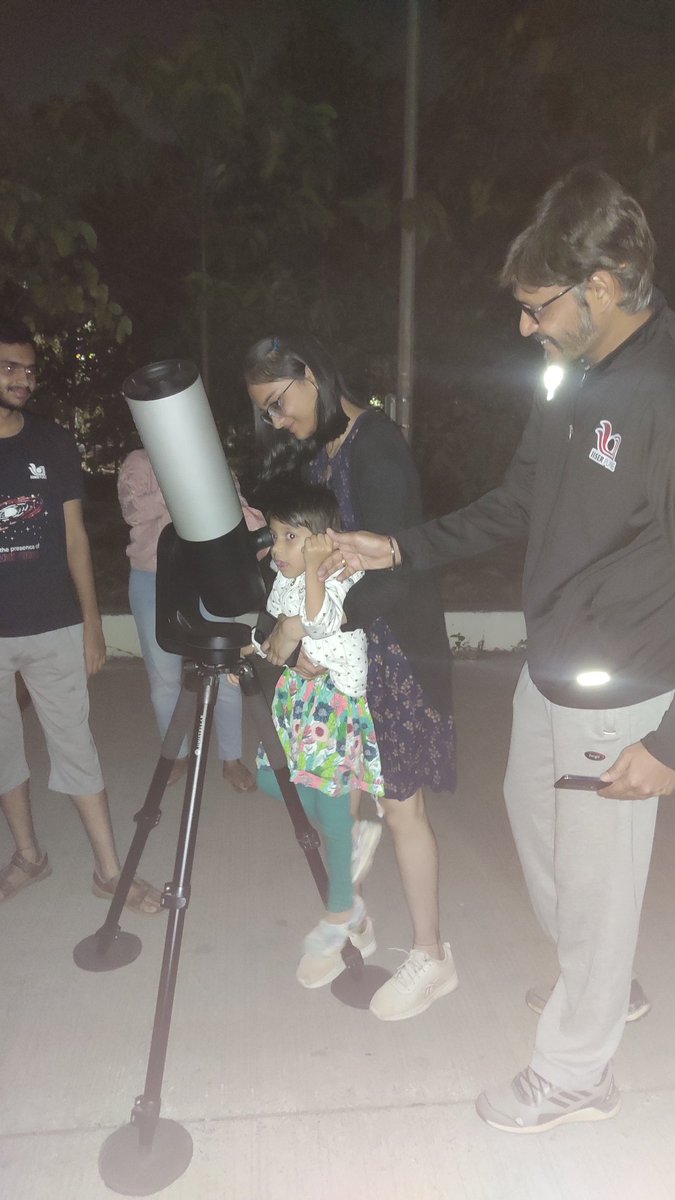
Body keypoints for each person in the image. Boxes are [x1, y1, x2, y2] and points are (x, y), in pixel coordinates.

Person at [320, 165, 675, 1131]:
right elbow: (520, 499)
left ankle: (575, 1074)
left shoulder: (664, 390)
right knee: (536, 827)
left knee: (598, 885)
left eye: (537, 305)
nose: (523, 327)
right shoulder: (573, 376)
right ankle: (598, 984)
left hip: (625, 688)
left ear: (601, 284)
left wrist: (668, 743)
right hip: (549, 664)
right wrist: (399, 546)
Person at [244, 334, 457, 1021]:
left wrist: (312, 633)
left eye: (279, 402)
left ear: (311, 374)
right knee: (332, 791)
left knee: (401, 807)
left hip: (393, 654)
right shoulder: (322, 450)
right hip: (343, 653)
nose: (277, 420)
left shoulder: (376, 447)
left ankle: (431, 954)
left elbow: (397, 572)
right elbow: (304, 556)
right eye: (266, 412)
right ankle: (350, 916)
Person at [0, 317, 161, 913]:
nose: (23, 379)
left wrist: (93, 623)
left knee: (75, 744)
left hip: (55, 623)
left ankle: (109, 872)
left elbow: (74, 537)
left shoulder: (52, 442)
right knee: (2, 752)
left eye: (29, 369)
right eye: (9, 367)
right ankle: (29, 857)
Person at [238, 482, 384, 987]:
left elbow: (318, 624)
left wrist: (318, 565)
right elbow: (278, 627)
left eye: (290, 537)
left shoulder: (338, 575)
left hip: (334, 707)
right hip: (298, 702)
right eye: (275, 535)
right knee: (270, 780)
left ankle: (341, 912)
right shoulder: (286, 577)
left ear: (322, 539)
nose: (277, 548)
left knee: (330, 811)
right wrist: (255, 647)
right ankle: (351, 840)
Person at [118, 448, 259, 791]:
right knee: (164, 678)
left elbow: (237, 510)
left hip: (210, 576)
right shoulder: (139, 462)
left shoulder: (208, 454)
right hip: (152, 580)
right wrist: (185, 489)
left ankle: (231, 759)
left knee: (225, 669)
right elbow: (133, 512)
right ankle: (177, 754)